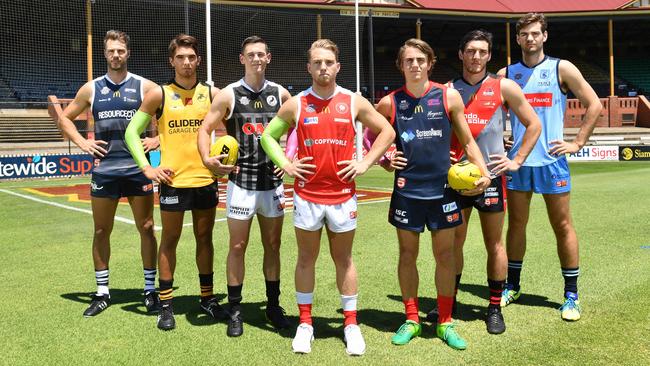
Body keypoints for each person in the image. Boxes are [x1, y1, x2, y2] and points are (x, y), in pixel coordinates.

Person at [260, 39, 395, 356]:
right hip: (307, 196)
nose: (323, 67)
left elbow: (387, 131)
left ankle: (350, 324)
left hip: (343, 197)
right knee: (306, 259)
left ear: (337, 66)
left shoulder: (353, 101)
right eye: (317, 62)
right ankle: (305, 324)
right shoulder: (296, 103)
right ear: (308, 67)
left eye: (328, 62)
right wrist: (286, 163)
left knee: (344, 260)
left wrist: (365, 162)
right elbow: (267, 136)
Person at [374, 38, 491, 350]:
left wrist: (485, 173)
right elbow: (370, 136)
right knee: (407, 255)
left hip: (443, 191)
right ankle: (412, 319)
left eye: (420, 60)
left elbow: (467, 142)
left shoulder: (448, 96)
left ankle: (445, 322)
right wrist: (385, 159)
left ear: (430, 63)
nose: (415, 65)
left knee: (445, 256)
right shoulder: (389, 102)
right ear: (401, 65)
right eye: (409, 60)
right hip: (407, 191)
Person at [425, 30, 541, 334]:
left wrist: (515, 161)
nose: (476, 57)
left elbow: (534, 124)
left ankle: (493, 307)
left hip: (490, 179)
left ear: (489, 56)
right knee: (452, 245)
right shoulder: (446, 90)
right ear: (461, 54)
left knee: (495, 244)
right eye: (471, 51)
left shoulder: (504, 87)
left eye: (482, 52)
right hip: (455, 180)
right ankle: (447, 302)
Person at [497, 13, 602, 321]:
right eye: (524, 34)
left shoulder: (561, 68)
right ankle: (512, 286)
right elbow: (491, 111)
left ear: (544, 36)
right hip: (517, 163)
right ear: (517, 39)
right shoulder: (507, 74)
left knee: (563, 226)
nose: (530, 38)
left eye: (535, 33)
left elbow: (594, 104)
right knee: (516, 224)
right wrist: (502, 135)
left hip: (552, 162)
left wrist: (577, 142)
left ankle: (571, 296)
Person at [125, 34, 227, 330]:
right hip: (173, 181)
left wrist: (227, 158)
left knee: (205, 239)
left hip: (206, 179)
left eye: (191, 57)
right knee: (169, 240)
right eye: (180, 57)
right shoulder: (159, 94)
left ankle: (207, 299)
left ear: (198, 60)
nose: (186, 62)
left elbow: (234, 126)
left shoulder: (211, 93)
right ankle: (166, 305)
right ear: (172, 61)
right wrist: (146, 168)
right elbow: (132, 133)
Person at [57, 30, 159, 317]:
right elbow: (64, 118)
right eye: (111, 51)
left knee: (147, 228)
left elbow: (170, 115)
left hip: (137, 169)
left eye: (121, 51)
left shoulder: (145, 87)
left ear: (128, 53)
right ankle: (102, 292)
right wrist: (82, 142)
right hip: (105, 171)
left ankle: (150, 290)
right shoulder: (91, 89)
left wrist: (157, 139)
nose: (116, 55)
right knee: (101, 230)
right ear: (105, 53)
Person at [197, 36, 291, 337]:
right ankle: (235, 309)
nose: (256, 59)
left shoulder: (281, 94)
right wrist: (207, 158)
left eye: (261, 54)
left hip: (272, 183)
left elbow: (301, 129)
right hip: (241, 183)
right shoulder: (229, 94)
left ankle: (273, 306)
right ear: (242, 59)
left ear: (269, 57)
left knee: (273, 246)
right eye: (251, 55)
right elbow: (205, 128)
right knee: (237, 246)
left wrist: (290, 156)